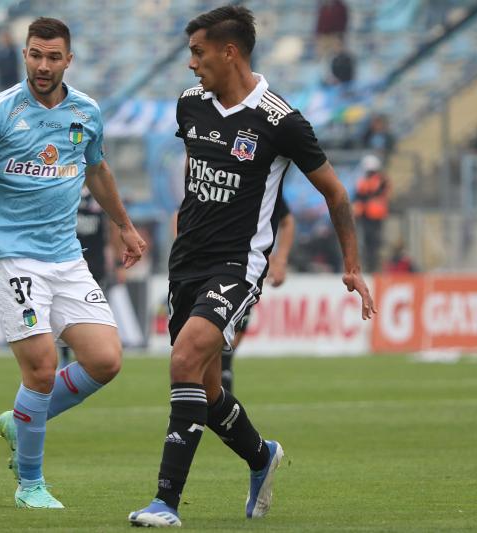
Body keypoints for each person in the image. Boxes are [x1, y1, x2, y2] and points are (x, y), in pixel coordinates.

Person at [128, 5, 374, 527]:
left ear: (229, 51)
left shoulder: (280, 121)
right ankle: (262, 457)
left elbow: (335, 193)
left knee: (182, 362)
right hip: (186, 262)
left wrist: (351, 265)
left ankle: (165, 502)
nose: (191, 64)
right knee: (209, 391)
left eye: (198, 53)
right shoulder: (189, 105)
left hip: (237, 266)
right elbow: (198, 181)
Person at [0, 17, 147, 509]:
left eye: (53, 56)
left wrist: (123, 224)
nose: (43, 65)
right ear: (25, 54)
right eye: (35, 54)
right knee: (40, 368)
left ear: (68, 60)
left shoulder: (86, 112)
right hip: (13, 257)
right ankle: (30, 484)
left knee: (106, 360)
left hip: (66, 257)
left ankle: (18, 418)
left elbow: (97, 169)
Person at [221, 191, 295, 392]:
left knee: (234, 331)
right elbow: (180, 212)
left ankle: (224, 367)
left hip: (246, 270)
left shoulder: (266, 185)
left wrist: (280, 260)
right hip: (214, 264)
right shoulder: (221, 176)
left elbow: (287, 221)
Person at [59, 187, 112, 366]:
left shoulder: (100, 194)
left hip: (96, 265)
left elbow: (111, 227)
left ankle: (88, 353)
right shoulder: (65, 190)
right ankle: (65, 356)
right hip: (70, 262)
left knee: (92, 312)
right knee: (66, 313)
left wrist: (116, 261)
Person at [352, 154, 390, 272]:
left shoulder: (381, 181)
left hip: (375, 216)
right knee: (369, 243)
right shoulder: (367, 181)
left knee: (374, 243)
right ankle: (370, 265)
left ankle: (374, 265)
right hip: (366, 215)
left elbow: (370, 194)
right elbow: (360, 196)